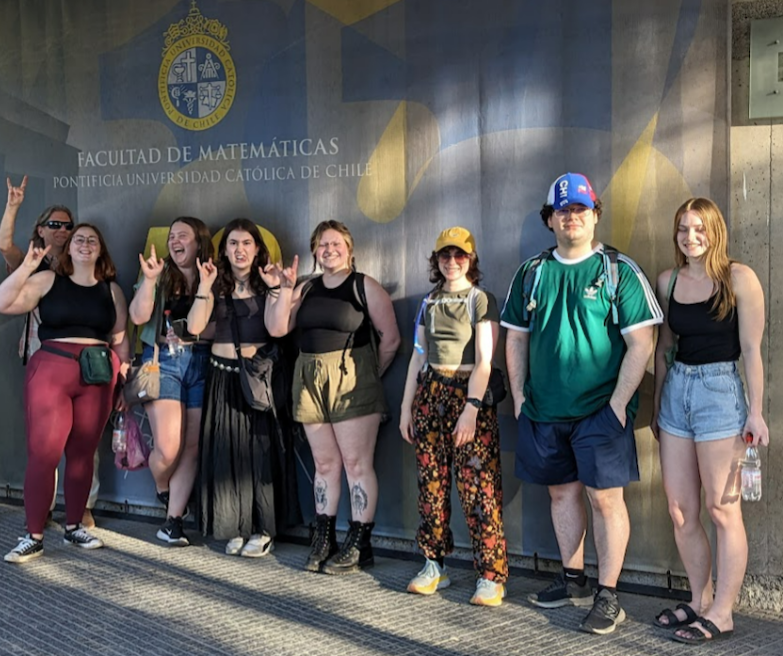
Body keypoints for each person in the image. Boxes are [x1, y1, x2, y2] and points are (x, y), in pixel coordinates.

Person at [501, 173, 662, 634]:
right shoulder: (532, 272)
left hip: (600, 410)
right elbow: (515, 337)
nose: (571, 217)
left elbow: (641, 344)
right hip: (544, 410)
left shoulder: (618, 270)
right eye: (562, 210)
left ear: (595, 215)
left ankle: (608, 595)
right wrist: (518, 395)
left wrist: (616, 405)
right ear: (549, 220)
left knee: (605, 499)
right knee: (561, 493)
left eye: (580, 209)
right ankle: (573, 581)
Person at [650, 198, 768, 644]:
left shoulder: (739, 278)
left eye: (699, 228)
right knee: (681, 510)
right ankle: (701, 600)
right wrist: (661, 401)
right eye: (682, 228)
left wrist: (755, 410)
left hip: (720, 394)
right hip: (677, 394)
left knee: (722, 509)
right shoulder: (668, 281)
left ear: (715, 230)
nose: (690, 237)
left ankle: (723, 612)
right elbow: (666, 347)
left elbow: (753, 349)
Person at [263, 220, 400, 574]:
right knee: (324, 465)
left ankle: (360, 543)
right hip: (309, 380)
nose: (329, 250)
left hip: (352, 381)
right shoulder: (305, 289)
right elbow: (278, 328)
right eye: (322, 245)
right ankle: (325, 538)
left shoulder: (363, 286)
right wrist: (283, 288)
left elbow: (391, 340)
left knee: (357, 465)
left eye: (336, 243)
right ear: (314, 251)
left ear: (349, 248)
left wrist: (365, 377)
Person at [0, 223, 130, 563]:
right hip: (52, 370)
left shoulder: (112, 291)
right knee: (44, 454)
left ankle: (73, 527)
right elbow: (1, 302)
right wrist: (28, 264)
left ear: (100, 250)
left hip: (97, 374)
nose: (84, 244)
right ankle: (33, 535)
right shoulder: (47, 280)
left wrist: (123, 380)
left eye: (92, 240)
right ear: (67, 248)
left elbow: (121, 339)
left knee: (83, 454)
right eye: (78, 239)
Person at [399, 227, 508, 605]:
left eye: (459, 255)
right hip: (430, 394)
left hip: (468, 396)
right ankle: (434, 564)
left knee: (479, 486)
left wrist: (471, 411)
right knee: (431, 485)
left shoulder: (481, 300)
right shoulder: (428, 301)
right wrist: (405, 407)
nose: (451, 261)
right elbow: (418, 354)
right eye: (445, 255)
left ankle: (491, 574)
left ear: (471, 259)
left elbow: (485, 360)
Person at [187, 218, 292, 558]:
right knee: (226, 451)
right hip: (220, 375)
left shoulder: (267, 284)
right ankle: (234, 526)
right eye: (233, 243)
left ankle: (261, 528)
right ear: (224, 250)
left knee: (258, 454)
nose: (240, 249)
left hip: (257, 379)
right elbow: (194, 326)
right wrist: (205, 284)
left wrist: (278, 290)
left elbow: (277, 330)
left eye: (246, 243)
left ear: (257, 248)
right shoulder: (215, 285)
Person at [0, 177, 97, 528]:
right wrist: (13, 206)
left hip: (82, 362)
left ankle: (82, 506)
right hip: (43, 358)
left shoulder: (85, 262)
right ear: (40, 229)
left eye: (68, 226)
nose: (63, 231)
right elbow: (4, 245)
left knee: (83, 441)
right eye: (55, 225)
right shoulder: (31, 262)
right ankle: (45, 507)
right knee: (46, 440)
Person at [129, 217, 215, 546]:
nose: (175, 241)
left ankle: (173, 521)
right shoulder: (160, 274)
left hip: (202, 361)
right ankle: (163, 488)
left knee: (191, 447)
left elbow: (215, 328)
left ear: (199, 243)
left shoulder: (213, 277)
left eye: (183, 236)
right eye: (171, 236)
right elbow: (138, 318)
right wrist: (149, 281)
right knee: (168, 449)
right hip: (162, 362)